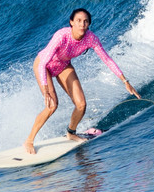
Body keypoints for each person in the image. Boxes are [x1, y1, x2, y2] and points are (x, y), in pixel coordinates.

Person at [24, 8, 140, 153]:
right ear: (71, 22)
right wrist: (46, 90)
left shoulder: (91, 38)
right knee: (52, 105)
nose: (82, 24)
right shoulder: (61, 36)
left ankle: (71, 133)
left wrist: (125, 81)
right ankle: (29, 141)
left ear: (89, 24)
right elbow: (43, 63)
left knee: (81, 104)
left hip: (63, 65)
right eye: (78, 21)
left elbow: (107, 59)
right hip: (44, 65)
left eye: (85, 21)